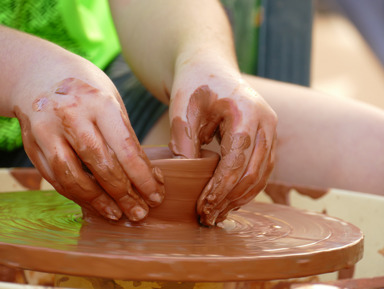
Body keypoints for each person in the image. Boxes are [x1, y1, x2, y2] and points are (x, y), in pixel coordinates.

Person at [0, 0, 383, 227]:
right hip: (38, 78)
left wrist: (201, 57)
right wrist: (22, 71)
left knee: (373, 156)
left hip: (87, 91)